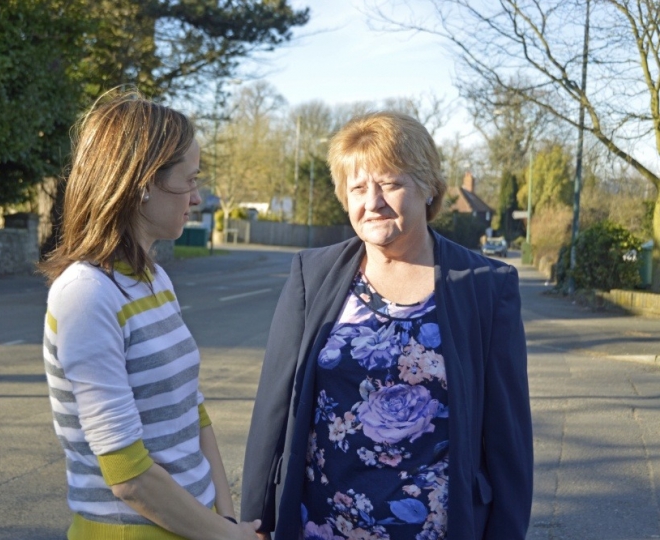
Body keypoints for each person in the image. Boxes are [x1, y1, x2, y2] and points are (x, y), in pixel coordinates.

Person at [240, 111, 532, 540]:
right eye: (357, 187)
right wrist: (256, 522)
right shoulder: (311, 274)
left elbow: (508, 439)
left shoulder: (486, 286)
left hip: (436, 528)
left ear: (429, 186)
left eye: (391, 184)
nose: (372, 202)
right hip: (321, 525)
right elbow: (273, 411)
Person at [39, 88, 261, 540]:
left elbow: (192, 410)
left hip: (194, 526)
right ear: (143, 184)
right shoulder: (86, 294)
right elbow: (127, 473)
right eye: (190, 180)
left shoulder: (153, 278)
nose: (197, 198)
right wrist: (225, 536)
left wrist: (226, 516)